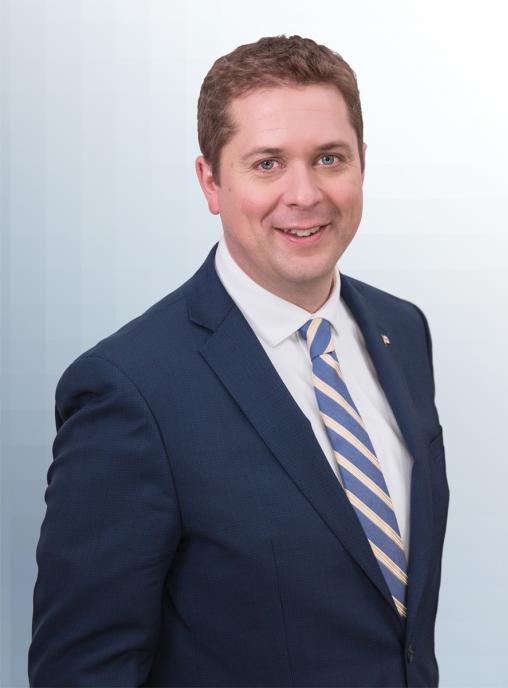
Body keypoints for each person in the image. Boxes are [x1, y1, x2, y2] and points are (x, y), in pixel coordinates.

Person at [29, 35, 449, 687]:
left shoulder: (403, 331)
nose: (304, 193)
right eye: (267, 164)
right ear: (211, 182)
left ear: (362, 163)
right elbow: (81, 672)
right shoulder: (131, 391)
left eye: (329, 158)